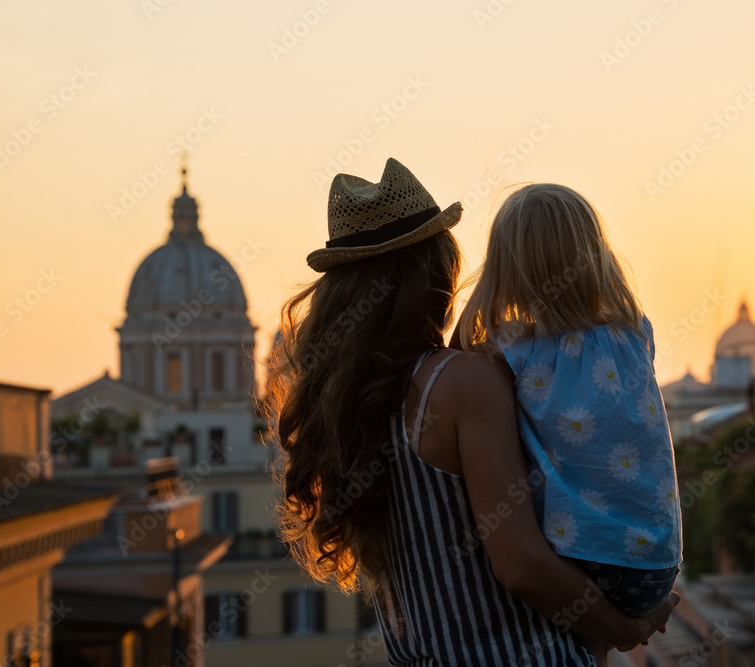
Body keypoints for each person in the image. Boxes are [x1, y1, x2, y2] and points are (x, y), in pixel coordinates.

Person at [269, 158, 678, 666]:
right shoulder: (461, 382)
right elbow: (522, 566)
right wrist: (626, 628)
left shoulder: (345, 408)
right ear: (436, 271)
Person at [456, 183, 683, 659]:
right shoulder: (634, 332)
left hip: (582, 557)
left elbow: (459, 352)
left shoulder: (512, 352)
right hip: (657, 565)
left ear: (506, 271)